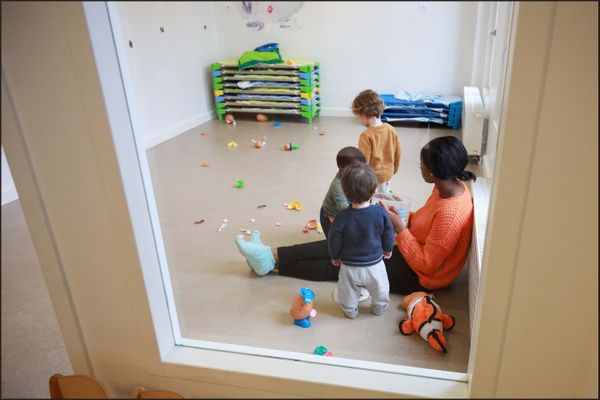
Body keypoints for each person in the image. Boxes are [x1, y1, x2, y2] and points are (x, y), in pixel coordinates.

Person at [234, 136, 475, 296]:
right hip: (410, 247)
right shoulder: (446, 188)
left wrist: (400, 228)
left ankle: (272, 264)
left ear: (434, 172)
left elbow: (428, 265)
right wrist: (401, 216)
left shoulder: (451, 212)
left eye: (422, 164)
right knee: (343, 245)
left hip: (420, 276)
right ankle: (270, 254)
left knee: (348, 265)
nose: (419, 167)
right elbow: (424, 224)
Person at [328, 163, 394, 318]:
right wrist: (388, 248)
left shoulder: (342, 217)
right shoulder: (380, 212)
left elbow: (334, 238)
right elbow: (388, 232)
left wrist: (335, 256)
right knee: (381, 289)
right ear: (374, 191)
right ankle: (379, 308)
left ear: (345, 193)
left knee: (347, 292)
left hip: (350, 266)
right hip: (375, 265)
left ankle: (350, 311)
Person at [352, 89, 401, 194]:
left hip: (372, 179)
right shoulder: (391, 129)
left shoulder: (366, 135)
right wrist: (394, 169)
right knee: (384, 195)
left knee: (373, 200)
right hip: (388, 174)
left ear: (364, 114)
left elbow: (363, 162)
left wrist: (359, 180)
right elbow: (398, 153)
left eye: (358, 116)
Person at [320, 146, 366, 238]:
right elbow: (344, 209)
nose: (361, 171)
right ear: (344, 170)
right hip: (330, 217)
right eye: (357, 169)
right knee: (333, 242)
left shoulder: (353, 175)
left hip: (346, 209)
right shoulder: (337, 186)